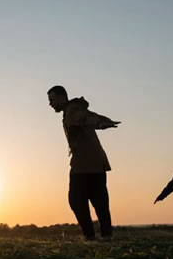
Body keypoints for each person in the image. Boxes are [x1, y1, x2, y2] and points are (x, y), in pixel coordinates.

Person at [47, 85, 121, 241]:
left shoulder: (72, 110)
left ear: (62, 97)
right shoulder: (73, 109)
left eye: (52, 100)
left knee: (76, 200)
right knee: (99, 201)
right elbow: (91, 116)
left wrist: (100, 124)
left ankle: (90, 236)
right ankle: (106, 236)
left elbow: (86, 119)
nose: (50, 104)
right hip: (96, 163)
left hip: (84, 165)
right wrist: (103, 121)